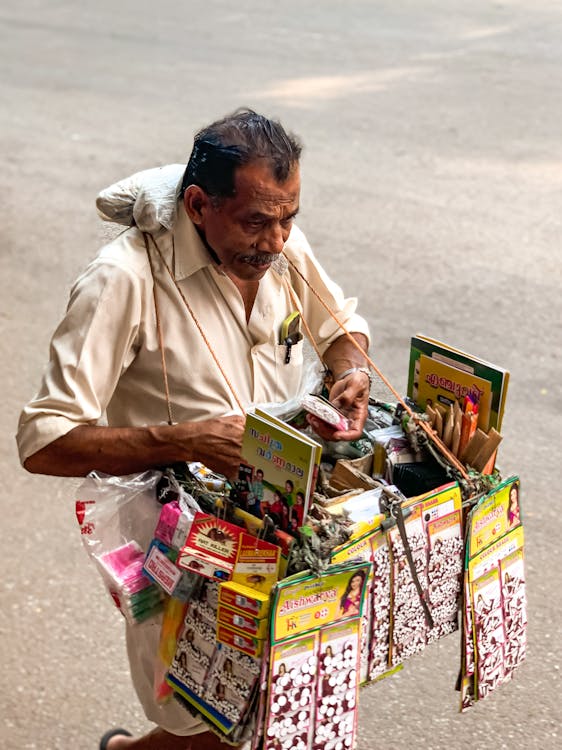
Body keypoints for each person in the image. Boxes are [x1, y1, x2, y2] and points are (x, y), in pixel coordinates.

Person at [17, 109, 371, 750]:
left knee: (265, 700)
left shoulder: (280, 247)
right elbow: (44, 440)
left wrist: (350, 369)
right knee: (208, 705)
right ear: (199, 203)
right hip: (177, 532)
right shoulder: (122, 279)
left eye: (288, 217)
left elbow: (337, 326)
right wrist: (186, 439)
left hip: (279, 512)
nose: (275, 240)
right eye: (257, 221)